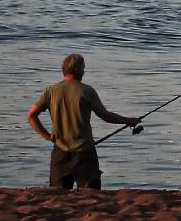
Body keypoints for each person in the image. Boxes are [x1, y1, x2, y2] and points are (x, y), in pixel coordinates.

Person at [27, 54, 140, 190]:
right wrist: (128, 121)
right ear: (77, 70)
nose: (84, 71)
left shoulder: (51, 91)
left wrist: (47, 136)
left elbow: (31, 115)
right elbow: (106, 116)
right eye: (83, 68)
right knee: (92, 195)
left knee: (58, 195)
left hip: (59, 153)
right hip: (85, 153)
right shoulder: (86, 91)